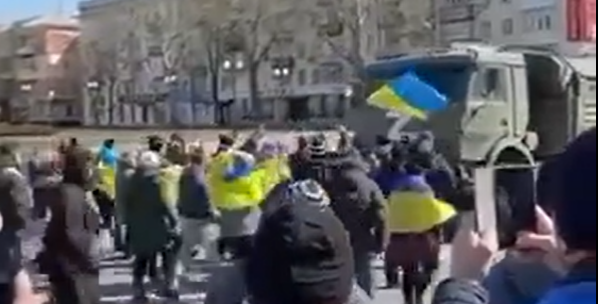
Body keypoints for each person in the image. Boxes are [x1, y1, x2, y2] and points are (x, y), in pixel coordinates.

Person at [245, 179, 372, 304]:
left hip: (283, 298)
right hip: (335, 296)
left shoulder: (273, 224)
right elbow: (347, 263)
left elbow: (256, 270)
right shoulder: (332, 222)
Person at [305, 136, 388, 297]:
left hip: (333, 240)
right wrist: (381, 242)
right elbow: (381, 214)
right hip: (362, 239)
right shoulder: (368, 183)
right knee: (365, 277)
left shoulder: (325, 182)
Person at [37, 147, 101, 304]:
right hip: (73, 267)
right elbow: (69, 231)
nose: (93, 170)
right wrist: (88, 256)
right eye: (89, 166)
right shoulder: (69, 193)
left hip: (77, 265)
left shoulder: (77, 191)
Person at [124, 150, 181, 300]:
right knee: (168, 254)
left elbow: (126, 204)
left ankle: (138, 287)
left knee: (141, 258)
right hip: (158, 225)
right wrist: (175, 221)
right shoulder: (158, 182)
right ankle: (169, 285)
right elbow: (166, 204)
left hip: (138, 226)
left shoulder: (131, 181)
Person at [177, 145, 219, 275]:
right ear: (202, 161)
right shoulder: (200, 176)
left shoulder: (184, 173)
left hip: (185, 212)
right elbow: (205, 195)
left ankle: (183, 268)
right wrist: (212, 210)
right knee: (211, 243)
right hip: (201, 215)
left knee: (186, 244)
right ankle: (214, 268)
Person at [0, 143, 33, 304]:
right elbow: (20, 202)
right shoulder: (13, 176)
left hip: (6, 223)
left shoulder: (4, 175)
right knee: (13, 263)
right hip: (11, 225)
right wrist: (22, 218)